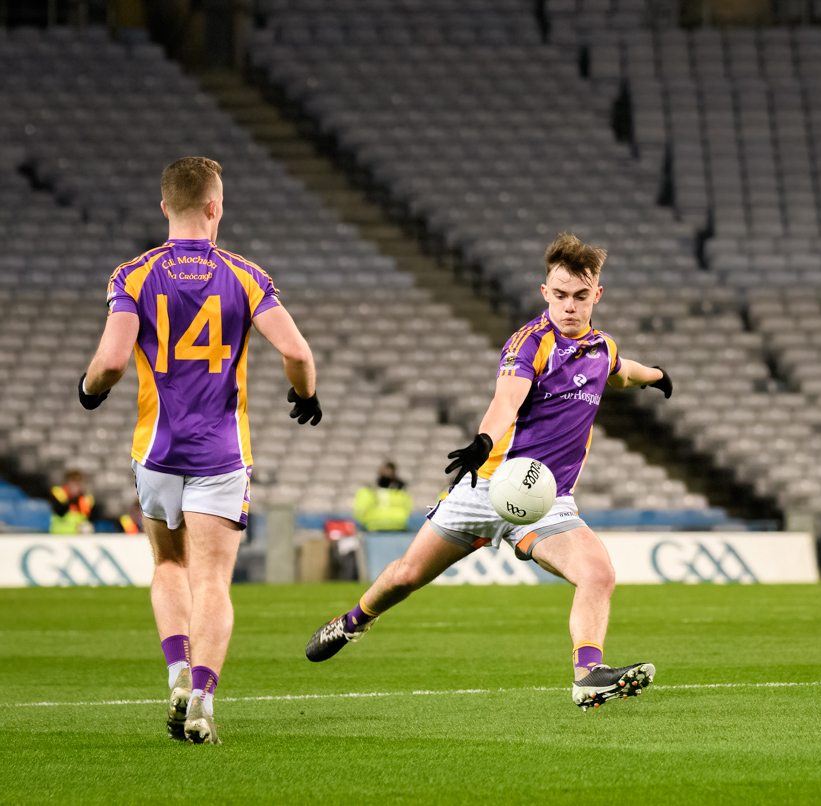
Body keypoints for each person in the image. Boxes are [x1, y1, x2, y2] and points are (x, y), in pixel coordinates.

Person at [305, 233, 673, 709]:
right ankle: (354, 621)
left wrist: (658, 376)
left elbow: (623, 371)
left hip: (545, 500)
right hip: (485, 487)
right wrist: (483, 442)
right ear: (545, 292)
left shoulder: (602, 348)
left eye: (580, 296)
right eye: (560, 295)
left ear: (596, 296)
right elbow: (506, 399)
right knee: (405, 577)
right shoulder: (530, 343)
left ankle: (588, 674)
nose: (569, 306)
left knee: (598, 573)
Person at [79, 156, 322, 744]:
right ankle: (205, 701)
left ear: (165, 207)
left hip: (156, 451)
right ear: (215, 206)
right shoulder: (245, 275)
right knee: (213, 581)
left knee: (168, 564)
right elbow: (297, 353)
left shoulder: (132, 276)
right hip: (221, 453)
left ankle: (177, 673)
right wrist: (304, 394)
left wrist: (89, 391)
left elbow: (110, 362)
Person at [353, 461, 413, 532]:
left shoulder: (402, 492)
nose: (388, 474)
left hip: (397, 529)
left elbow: (408, 508)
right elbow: (360, 510)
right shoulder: (370, 491)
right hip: (373, 529)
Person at [49, 469, 96, 534]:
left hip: (77, 537)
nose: (74, 487)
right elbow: (60, 511)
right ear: (67, 483)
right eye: (72, 483)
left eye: (77, 484)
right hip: (58, 535)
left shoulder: (86, 499)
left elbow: (90, 519)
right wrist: (71, 499)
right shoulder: (59, 494)